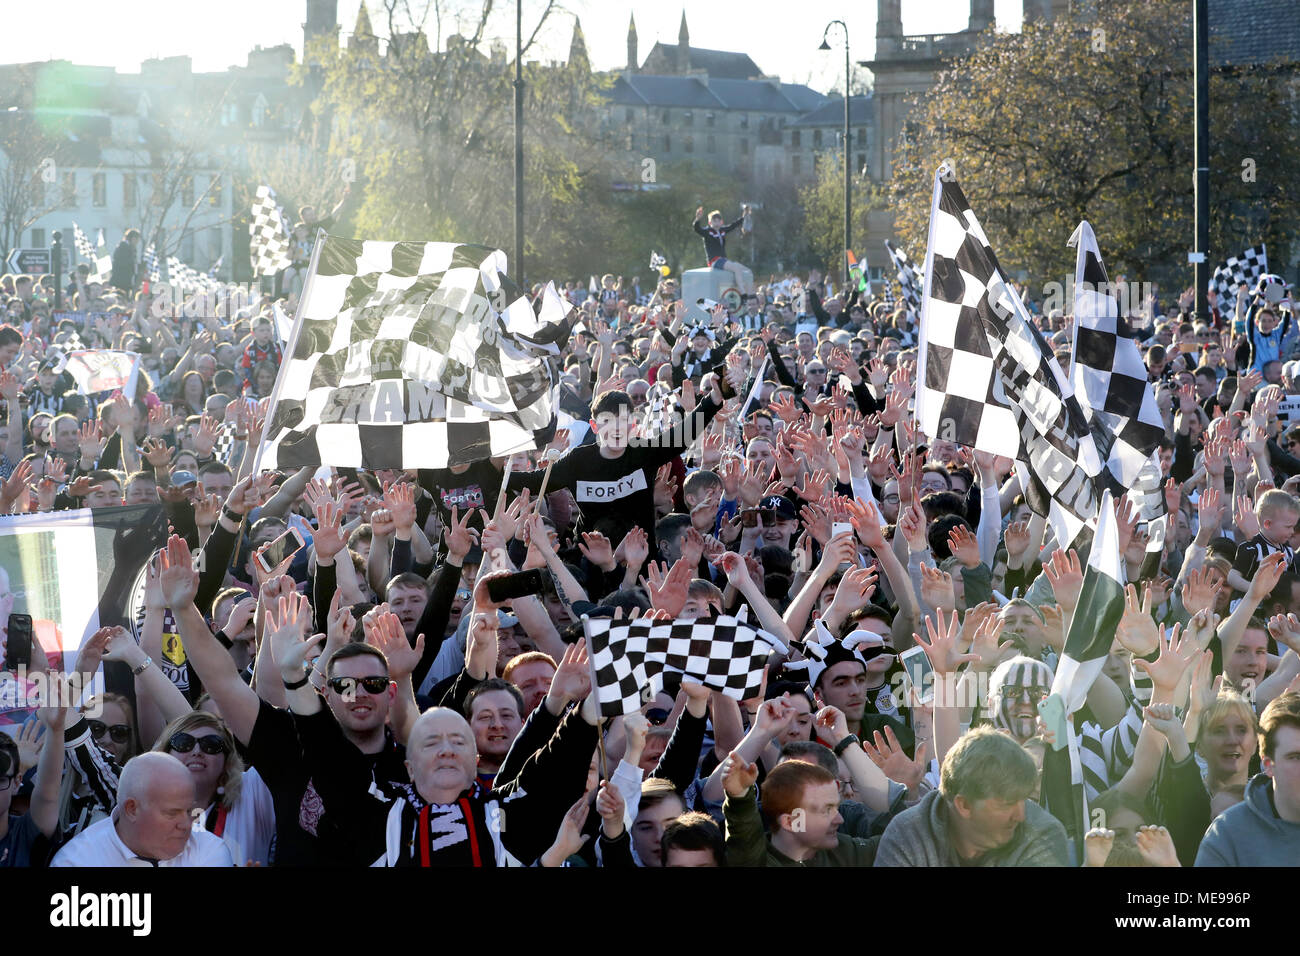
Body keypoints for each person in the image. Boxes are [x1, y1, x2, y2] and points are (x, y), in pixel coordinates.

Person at [874, 726, 1069, 866]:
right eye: (1007, 804)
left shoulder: (1043, 834)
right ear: (964, 805)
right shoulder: (907, 835)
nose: (1020, 815)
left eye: (1022, 798)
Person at [51, 751, 234, 867]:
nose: (186, 824)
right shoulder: (76, 861)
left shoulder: (209, 849)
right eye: (172, 813)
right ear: (131, 809)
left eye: (188, 811)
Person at [1195, 693, 1300, 865]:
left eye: (1241, 730)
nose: (1232, 740)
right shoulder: (1227, 835)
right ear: (1268, 765)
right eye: (1295, 757)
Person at [692, 206, 752, 295]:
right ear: (709, 222)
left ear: (721, 222)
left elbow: (734, 225)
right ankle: (743, 294)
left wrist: (745, 215)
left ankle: (749, 293)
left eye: (718, 221)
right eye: (714, 221)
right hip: (714, 260)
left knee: (747, 271)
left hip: (723, 260)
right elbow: (697, 229)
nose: (716, 223)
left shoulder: (722, 230)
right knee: (735, 267)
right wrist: (697, 219)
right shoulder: (708, 232)